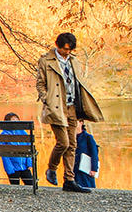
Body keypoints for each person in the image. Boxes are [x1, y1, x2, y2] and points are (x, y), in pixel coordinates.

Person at [36, 32, 104, 193]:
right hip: (56, 108)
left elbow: (78, 83)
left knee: (72, 145)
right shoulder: (46, 61)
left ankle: (69, 180)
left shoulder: (74, 61)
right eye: (65, 49)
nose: (68, 52)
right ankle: (52, 168)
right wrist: (47, 100)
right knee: (64, 143)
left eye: (70, 50)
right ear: (58, 45)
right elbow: (40, 84)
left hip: (72, 107)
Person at [0, 112, 34, 185]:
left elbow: (28, 148)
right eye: (13, 120)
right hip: (13, 167)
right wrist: (9, 167)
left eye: (17, 119)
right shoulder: (5, 134)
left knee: (30, 183)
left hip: (24, 165)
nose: (15, 121)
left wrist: (29, 162)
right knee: (15, 186)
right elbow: (4, 154)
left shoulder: (23, 132)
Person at [73, 122, 100, 188]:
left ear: (81, 123)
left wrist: (94, 169)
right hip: (74, 169)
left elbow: (94, 153)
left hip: (85, 169)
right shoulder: (70, 137)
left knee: (88, 188)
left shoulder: (88, 137)